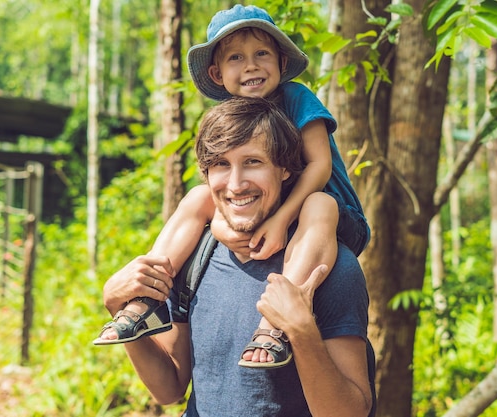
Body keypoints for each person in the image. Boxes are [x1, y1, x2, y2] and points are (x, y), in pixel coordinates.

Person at [94, 4, 370, 369]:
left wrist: (281, 217)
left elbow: (319, 166)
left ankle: (275, 322)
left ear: (281, 63)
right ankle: (147, 297)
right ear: (217, 73)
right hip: (267, 206)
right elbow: (219, 188)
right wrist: (221, 227)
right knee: (196, 196)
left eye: (262, 54)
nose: (251, 65)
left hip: (326, 210)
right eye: (236, 58)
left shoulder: (296, 97)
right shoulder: (229, 117)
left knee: (321, 204)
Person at [101, 96, 372, 416]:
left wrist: (301, 332)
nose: (236, 183)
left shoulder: (329, 268)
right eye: (220, 164)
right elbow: (169, 388)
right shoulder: (193, 259)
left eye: (253, 162)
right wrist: (117, 304)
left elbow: (352, 412)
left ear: (285, 169)